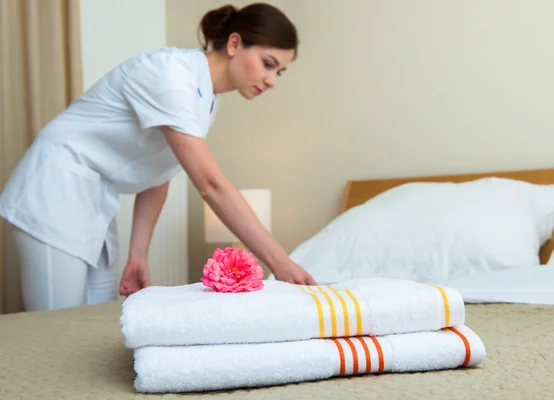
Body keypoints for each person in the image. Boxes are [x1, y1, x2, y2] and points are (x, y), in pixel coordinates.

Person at [0, 2, 317, 312]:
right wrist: (279, 261)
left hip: (95, 197)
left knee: (90, 322)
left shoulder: (206, 98)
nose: (272, 80)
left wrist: (138, 255)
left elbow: (159, 170)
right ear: (235, 44)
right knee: (54, 326)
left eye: (280, 72)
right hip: (55, 187)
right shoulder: (171, 75)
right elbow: (211, 185)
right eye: (268, 63)